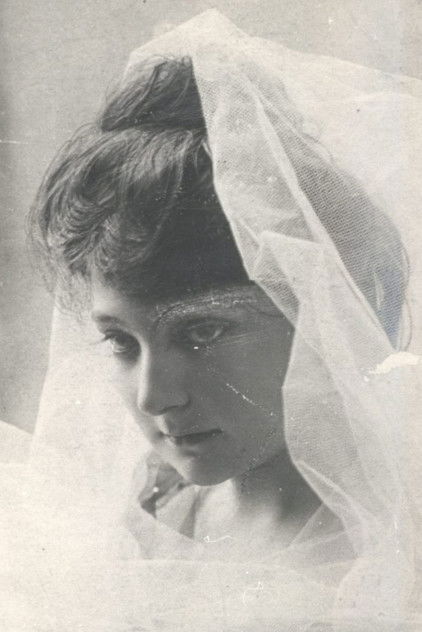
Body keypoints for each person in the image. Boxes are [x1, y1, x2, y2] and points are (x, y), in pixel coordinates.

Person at [2, 10, 422, 631]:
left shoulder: (390, 568)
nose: (155, 397)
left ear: (319, 313)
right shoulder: (143, 508)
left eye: (202, 332)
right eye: (120, 341)